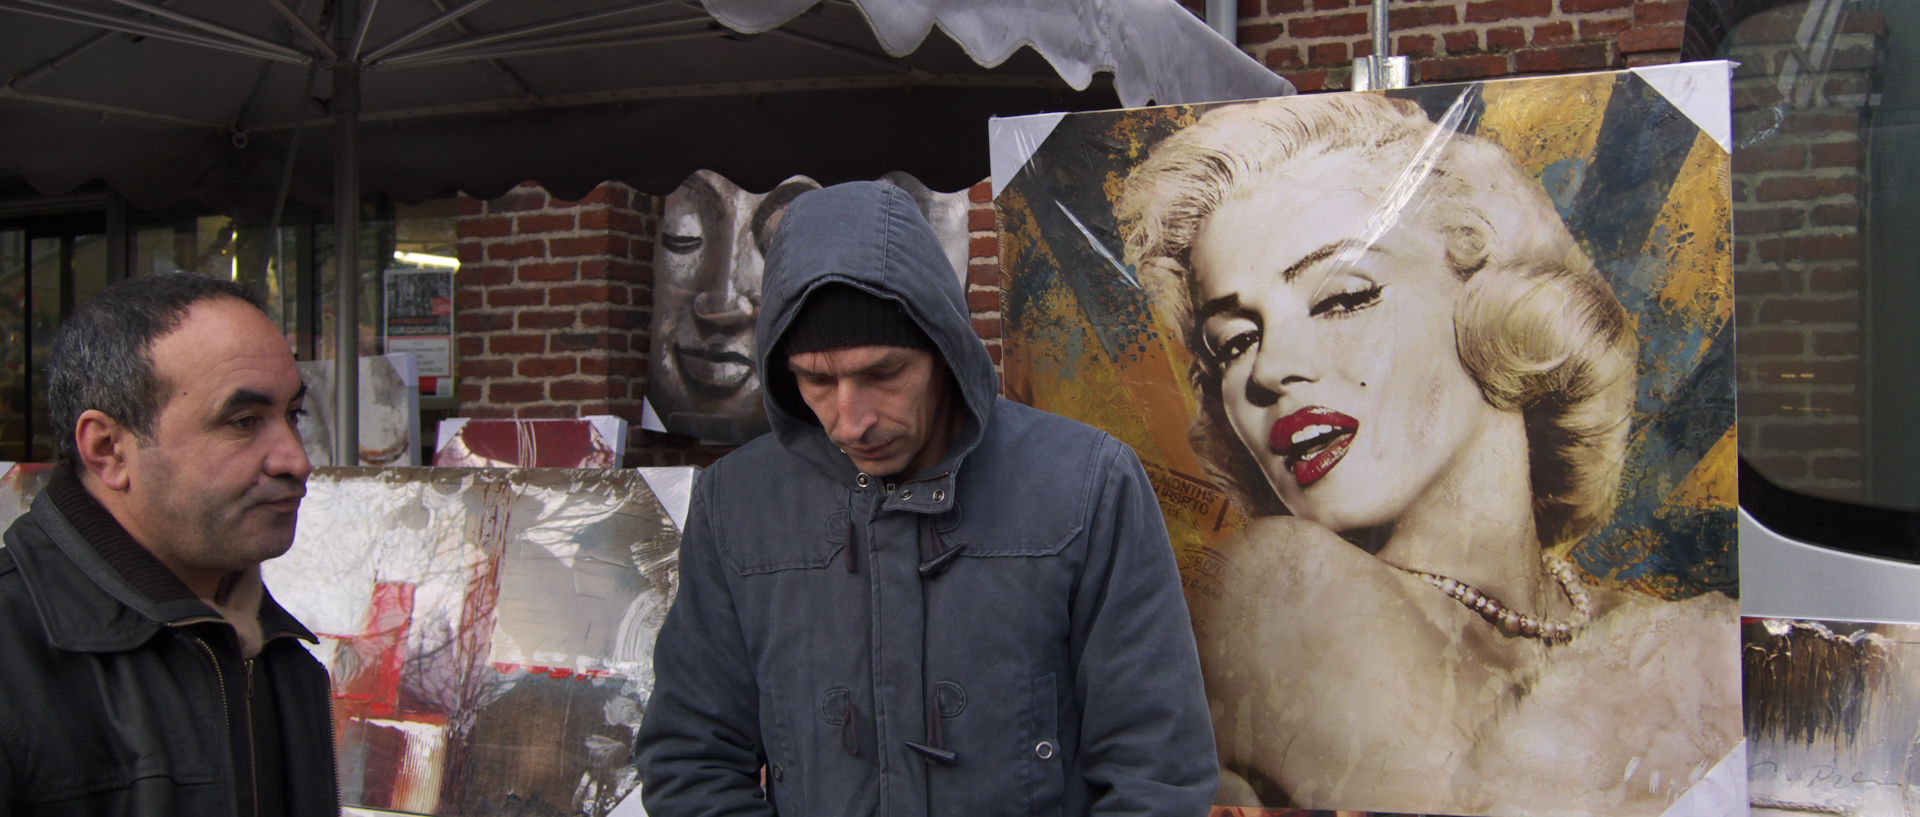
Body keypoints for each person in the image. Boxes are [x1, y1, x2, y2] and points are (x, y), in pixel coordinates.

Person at [1116, 94, 1740, 815]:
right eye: (1232, 342)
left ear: (1491, 297)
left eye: (1341, 296)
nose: (1266, 370)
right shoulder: (1275, 585)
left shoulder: (1672, 632)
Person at [637, 182, 1218, 816]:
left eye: (883, 373)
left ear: (943, 348)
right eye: (817, 380)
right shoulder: (737, 503)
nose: (850, 419)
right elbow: (691, 759)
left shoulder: (1087, 483)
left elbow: (1157, 768)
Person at [0, 273, 337, 815]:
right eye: (244, 421)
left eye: (291, 415)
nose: (294, 459)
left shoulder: (274, 653)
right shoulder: (17, 661)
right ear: (108, 449)